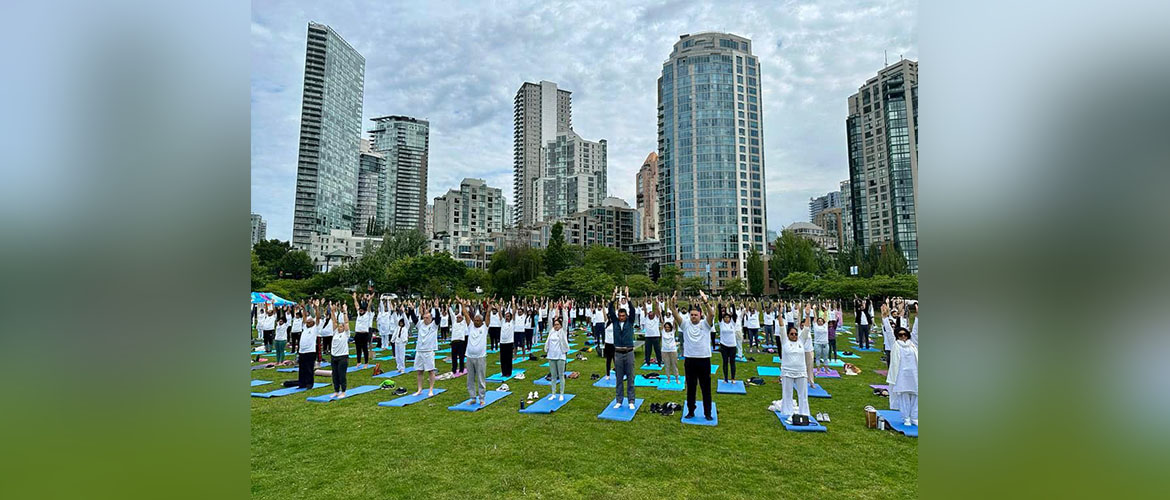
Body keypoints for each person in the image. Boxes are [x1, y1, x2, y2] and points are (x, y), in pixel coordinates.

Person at [675, 291, 715, 420]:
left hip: (704, 360)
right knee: (691, 388)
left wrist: (706, 302)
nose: (693, 317)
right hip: (690, 360)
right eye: (691, 315)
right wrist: (672, 304)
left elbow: (712, 314)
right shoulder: (685, 325)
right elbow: (675, 315)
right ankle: (691, 411)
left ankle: (707, 413)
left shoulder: (705, 325)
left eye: (695, 315)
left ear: (700, 315)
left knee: (705, 388)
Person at [778, 313, 816, 423]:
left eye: (795, 334)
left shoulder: (801, 341)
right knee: (787, 394)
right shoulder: (785, 342)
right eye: (792, 334)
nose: (794, 336)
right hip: (787, 372)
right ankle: (787, 412)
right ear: (788, 335)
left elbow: (807, 328)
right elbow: (781, 327)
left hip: (801, 373)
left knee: (803, 394)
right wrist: (779, 314)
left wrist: (808, 315)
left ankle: (804, 413)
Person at [609, 286, 637, 410]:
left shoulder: (630, 322)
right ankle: (619, 400)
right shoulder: (614, 322)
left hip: (629, 352)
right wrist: (613, 298)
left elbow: (633, 310)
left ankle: (631, 400)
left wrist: (627, 297)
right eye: (619, 315)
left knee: (631, 377)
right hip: (618, 353)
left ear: (626, 315)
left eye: (623, 315)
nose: (621, 317)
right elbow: (610, 310)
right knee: (619, 378)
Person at [887, 326, 918, 426]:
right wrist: (884, 318)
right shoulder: (895, 344)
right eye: (900, 335)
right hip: (901, 375)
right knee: (904, 396)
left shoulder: (913, 345)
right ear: (897, 336)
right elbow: (889, 333)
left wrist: (917, 317)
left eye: (905, 334)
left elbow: (916, 332)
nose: (903, 336)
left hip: (914, 374)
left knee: (916, 395)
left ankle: (914, 417)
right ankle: (906, 418)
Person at [283, 305, 319, 388]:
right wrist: (303, 308)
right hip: (302, 351)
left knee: (309, 369)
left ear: (313, 323)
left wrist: (316, 308)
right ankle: (302, 383)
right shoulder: (305, 328)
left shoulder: (315, 329)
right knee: (302, 369)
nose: (307, 323)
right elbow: (304, 317)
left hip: (310, 351)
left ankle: (309, 384)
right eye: (307, 322)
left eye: (309, 322)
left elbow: (317, 318)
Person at [461, 300, 489, 406]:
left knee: (481, 378)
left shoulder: (485, 327)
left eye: (478, 320)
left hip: (480, 357)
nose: (476, 322)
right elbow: (466, 314)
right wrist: (462, 304)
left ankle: (482, 398)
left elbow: (488, 315)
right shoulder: (471, 326)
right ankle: (472, 397)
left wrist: (489, 305)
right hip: (469, 357)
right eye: (475, 320)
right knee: (470, 379)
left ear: (481, 321)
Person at [544, 308, 570, 401]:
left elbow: (566, 320)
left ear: (561, 325)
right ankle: (553, 393)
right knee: (553, 376)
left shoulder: (563, 331)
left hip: (560, 356)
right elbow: (550, 320)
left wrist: (563, 309)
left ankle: (561, 394)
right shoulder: (551, 331)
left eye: (558, 324)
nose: (556, 326)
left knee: (561, 375)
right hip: (551, 356)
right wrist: (552, 309)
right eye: (555, 325)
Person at [413, 307, 439, 396]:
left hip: (429, 351)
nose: (425, 319)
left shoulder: (434, 326)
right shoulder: (420, 324)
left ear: (431, 318)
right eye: (424, 317)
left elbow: (438, 318)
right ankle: (419, 389)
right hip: (419, 351)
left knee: (431, 371)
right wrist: (411, 309)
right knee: (419, 371)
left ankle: (431, 390)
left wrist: (436, 308)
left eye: (427, 318)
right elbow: (414, 318)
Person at [656, 295, 680, 386]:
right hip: (665, 350)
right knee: (667, 365)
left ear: (670, 327)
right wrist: (658, 305)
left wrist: (673, 305)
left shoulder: (673, 331)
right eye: (665, 327)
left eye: (667, 327)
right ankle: (668, 378)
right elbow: (661, 318)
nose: (666, 328)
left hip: (673, 350)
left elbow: (674, 320)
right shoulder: (662, 331)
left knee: (674, 365)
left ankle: (677, 378)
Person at [329, 303, 351, 399]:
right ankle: (336, 391)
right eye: (339, 326)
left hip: (343, 357)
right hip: (334, 356)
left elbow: (346, 323)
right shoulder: (335, 333)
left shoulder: (346, 334)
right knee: (335, 375)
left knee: (342, 375)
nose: (339, 327)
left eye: (341, 326)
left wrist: (345, 311)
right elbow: (334, 321)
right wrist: (332, 311)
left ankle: (343, 391)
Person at [716, 301, 740, 383]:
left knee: (732, 363)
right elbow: (719, 314)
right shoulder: (721, 323)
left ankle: (733, 378)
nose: (727, 319)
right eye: (725, 317)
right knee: (725, 362)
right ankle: (725, 379)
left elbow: (734, 314)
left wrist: (732, 304)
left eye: (728, 317)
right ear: (723, 319)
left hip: (732, 346)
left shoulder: (733, 323)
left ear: (730, 318)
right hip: (724, 346)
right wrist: (719, 304)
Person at [352, 292, 372, 367]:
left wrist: (371, 299)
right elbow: (356, 305)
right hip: (358, 334)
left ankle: (366, 362)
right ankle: (359, 362)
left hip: (364, 334)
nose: (360, 311)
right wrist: (354, 298)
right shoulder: (358, 314)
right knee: (358, 349)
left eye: (362, 310)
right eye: (360, 310)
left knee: (364, 349)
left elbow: (369, 306)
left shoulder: (367, 314)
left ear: (364, 311)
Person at [499, 301, 517, 377]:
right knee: (502, 359)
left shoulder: (512, 322)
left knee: (509, 359)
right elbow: (499, 313)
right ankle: (503, 372)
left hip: (509, 343)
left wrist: (513, 302)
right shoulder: (502, 322)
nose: (507, 317)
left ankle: (508, 373)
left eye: (508, 316)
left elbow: (514, 312)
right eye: (506, 316)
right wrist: (499, 305)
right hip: (502, 343)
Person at [642, 298, 661, 366]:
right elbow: (645, 310)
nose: (650, 313)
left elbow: (657, 310)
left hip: (656, 336)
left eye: (651, 312)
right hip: (648, 337)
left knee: (657, 350)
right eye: (649, 313)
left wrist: (656, 304)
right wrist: (644, 304)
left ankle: (659, 362)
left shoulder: (656, 318)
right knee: (648, 351)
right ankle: (647, 362)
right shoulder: (646, 318)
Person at [450, 304, 468, 376]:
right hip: (454, 342)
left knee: (461, 356)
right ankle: (454, 370)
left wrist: (462, 304)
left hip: (461, 342)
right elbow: (451, 314)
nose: (459, 318)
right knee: (454, 357)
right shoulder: (454, 322)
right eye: (458, 317)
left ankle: (461, 369)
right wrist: (449, 306)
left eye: (460, 317)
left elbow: (465, 313)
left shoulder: (463, 323)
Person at [812, 303, 830, 369]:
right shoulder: (815, 326)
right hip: (817, 343)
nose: (820, 322)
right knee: (818, 357)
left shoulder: (825, 325)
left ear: (823, 322)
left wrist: (825, 310)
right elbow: (815, 317)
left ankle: (826, 368)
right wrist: (814, 309)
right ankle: (818, 369)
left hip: (825, 343)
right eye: (818, 321)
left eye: (821, 321)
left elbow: (825, 316)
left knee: (825, 357)